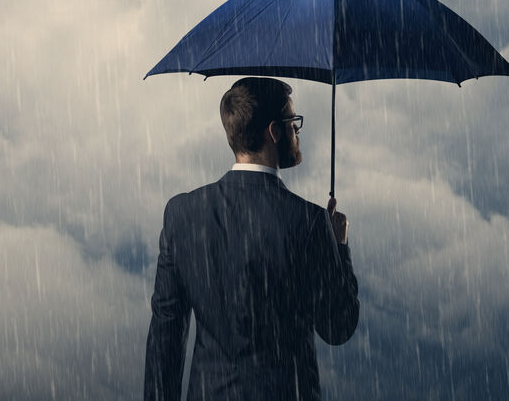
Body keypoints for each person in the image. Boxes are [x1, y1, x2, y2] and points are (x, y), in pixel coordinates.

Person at [144, 77, 360, 400]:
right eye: (292, 123)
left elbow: (166, 339)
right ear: (274, 131)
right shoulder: (310, 222)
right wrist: (339, 247)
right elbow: (337, 326)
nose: (297, 132)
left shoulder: (182, 214)